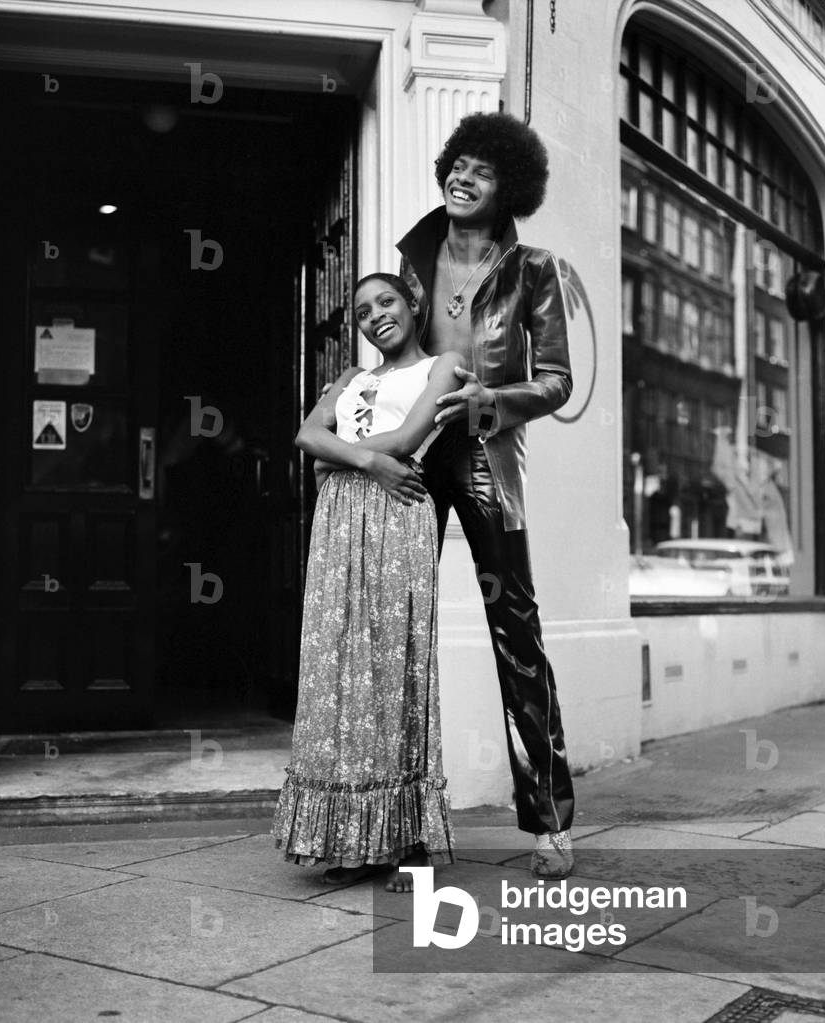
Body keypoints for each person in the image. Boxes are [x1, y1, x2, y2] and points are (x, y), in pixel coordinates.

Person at [396, 111, 577, 878]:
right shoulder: (412, 258)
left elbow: (559, 381)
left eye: (483, 170)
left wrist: (491, 403)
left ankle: (548, 823)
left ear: (511, 188)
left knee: (516, 632)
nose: (463, 178)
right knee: (399, 628)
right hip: (414, 452)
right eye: (457, 164)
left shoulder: (534, 268)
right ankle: (394, 822)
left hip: (486, 456)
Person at [272, 272, 464, 892]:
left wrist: (347, 456)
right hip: (337, 525)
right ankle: (354, 839)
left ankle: (410, 841)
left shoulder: (444, 365)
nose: (374, 315)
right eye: (360, 310)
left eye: (385, 302)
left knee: (395, 667)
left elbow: (411, 439)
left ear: (413, 304)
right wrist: (370, 460)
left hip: (399, 514)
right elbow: (306, 436)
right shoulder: (349, 379)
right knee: (338, 672)